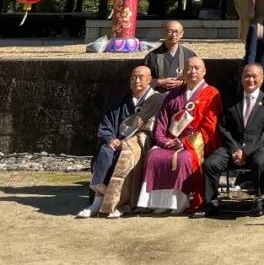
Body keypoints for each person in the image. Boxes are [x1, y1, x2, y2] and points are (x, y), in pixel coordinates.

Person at [137, 57, 222, 214]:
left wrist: (185, 143)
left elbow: (210, 126)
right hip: (170, 140)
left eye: (197, 68)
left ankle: (179, 202)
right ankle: (158, 202)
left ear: (204, 71)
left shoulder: (211, 94)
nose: (192, 71)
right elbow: (161, 121)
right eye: (189, 68)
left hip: (195, 143)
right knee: (153, 156)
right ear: (183, 72)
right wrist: (163, 141)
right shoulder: (172, 95)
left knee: (183, 158)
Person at [78, 66, 164, 219]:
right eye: (133, 77)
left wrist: (128, 140)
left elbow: (158, 127)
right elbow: (107, 125)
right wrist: (111, 139)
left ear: (150, 80)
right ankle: (98, 199)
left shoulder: (157, 100)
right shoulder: (121, 102)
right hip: (118, 141)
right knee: (105, 150)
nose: (136, 81)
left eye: (141, 77)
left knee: (127, 154)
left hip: (142, 142)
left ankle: (120, 203)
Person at [197, 63, 264, 218]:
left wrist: (246, 151)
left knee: (259, 161)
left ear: (262, 78)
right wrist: (235, 149)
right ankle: (212, 203)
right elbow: (223, 127)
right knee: (211, 164)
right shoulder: (231, 101)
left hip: (257, 147)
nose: (250, 79)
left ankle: (258, 201)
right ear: (241, 78)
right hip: (232, 148)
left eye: (254, 76)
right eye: (247, 76)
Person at [144, 21, 198, 92]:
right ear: (163, 33)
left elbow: (198, 77)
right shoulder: (152, 56)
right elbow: (142, 79)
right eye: (170, 31)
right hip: (158, 97)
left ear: (182, 34)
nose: (174, 35)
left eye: (176, 32)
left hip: (182, 97)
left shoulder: (190, 55)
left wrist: (183, 82)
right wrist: (158, 82)